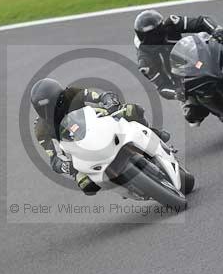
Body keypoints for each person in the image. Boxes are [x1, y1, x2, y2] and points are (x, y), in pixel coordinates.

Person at [30, 78, 169, 195]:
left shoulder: (72, 93)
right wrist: (66, 165)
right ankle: (127, 185)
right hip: (81, 154)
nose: (49, 112)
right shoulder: (41, 129)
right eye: (43, 109)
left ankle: (153, 133)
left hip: (101, 126)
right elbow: (55, 157)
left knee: (132, 110)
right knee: (87, 185)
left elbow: (97, 97)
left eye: (53, 105)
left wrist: (110, 102)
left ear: (61, 97)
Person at [133, 9, 223, 126]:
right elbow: (162, 86)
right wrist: (177, 92)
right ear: (144, 38)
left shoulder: (171, 23)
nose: (158, 36)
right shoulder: (145, 60)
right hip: (182, 79)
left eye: (159, 30)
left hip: (196, 56)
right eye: (153, 35)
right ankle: (217, 109)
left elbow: (201, 21)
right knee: (192, 116)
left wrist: (217, 31)